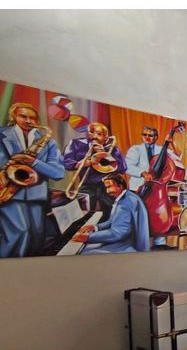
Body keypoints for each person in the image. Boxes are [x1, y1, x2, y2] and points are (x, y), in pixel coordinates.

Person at [0, 102, 65, 257]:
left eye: (32, 118)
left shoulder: (48, 141)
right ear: (13, 116)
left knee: (36, 238)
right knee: (20, 234)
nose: (28, 121)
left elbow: (58, 173)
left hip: (36, 195)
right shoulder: (1, 134)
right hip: (8, 193)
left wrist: (33, 162)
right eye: (23, 116)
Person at [71, 173, 150, 254]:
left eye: (109, 187)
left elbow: (118, 233)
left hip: (128, 246)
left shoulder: (126, 202)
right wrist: (95, 227)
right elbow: (111, 221)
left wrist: (89, 237)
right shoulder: (126, 197)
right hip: (125, 241)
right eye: (106, 187)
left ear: (120, 186)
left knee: (83, 253)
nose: (107, 191)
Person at [62, 121, 126, 220]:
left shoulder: (113, 149)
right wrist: (80, 164)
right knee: (81, 216)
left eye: (99, 134)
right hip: (87, 185)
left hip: (107, 186)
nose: (94, 136)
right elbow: (66, 163)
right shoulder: (76, 144)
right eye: (91, 132)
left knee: (111, 215)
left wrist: (104, 154)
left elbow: (122, 168)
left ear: (106, 137)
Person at [124, 125, 162, 192]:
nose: (147, 137)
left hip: (156, 187)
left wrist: (171, 143)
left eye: (150, 135)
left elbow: (177, 157)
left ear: (156, 137)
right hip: (137, 187)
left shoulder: (162, 150)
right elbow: (127, 166)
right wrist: (142, 173)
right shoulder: (135, 149)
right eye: (144, 135)